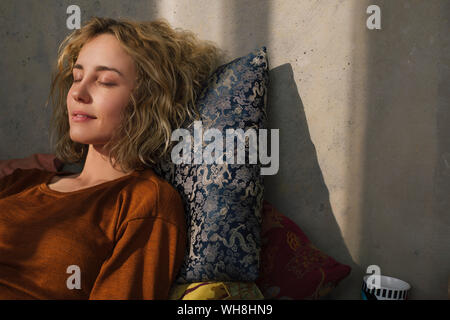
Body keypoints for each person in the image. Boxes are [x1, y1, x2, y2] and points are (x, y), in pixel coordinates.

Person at [0, 17, 225, 299]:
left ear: (147, 99)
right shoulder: (19, 182)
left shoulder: (144, 201)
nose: (78, 93)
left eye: (105, 82)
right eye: (77, 77)